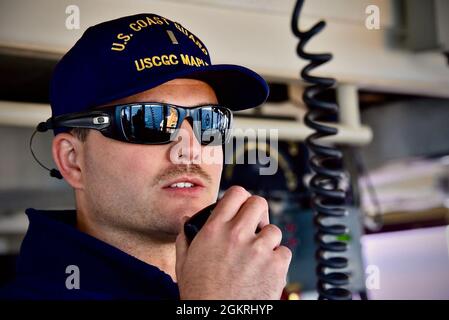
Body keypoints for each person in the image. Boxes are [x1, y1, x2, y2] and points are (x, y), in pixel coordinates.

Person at [0, 13, 291, 300]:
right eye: (149, 121)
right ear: (73, 160)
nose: (189, 149)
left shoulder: (249, 283)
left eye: (209, 120)